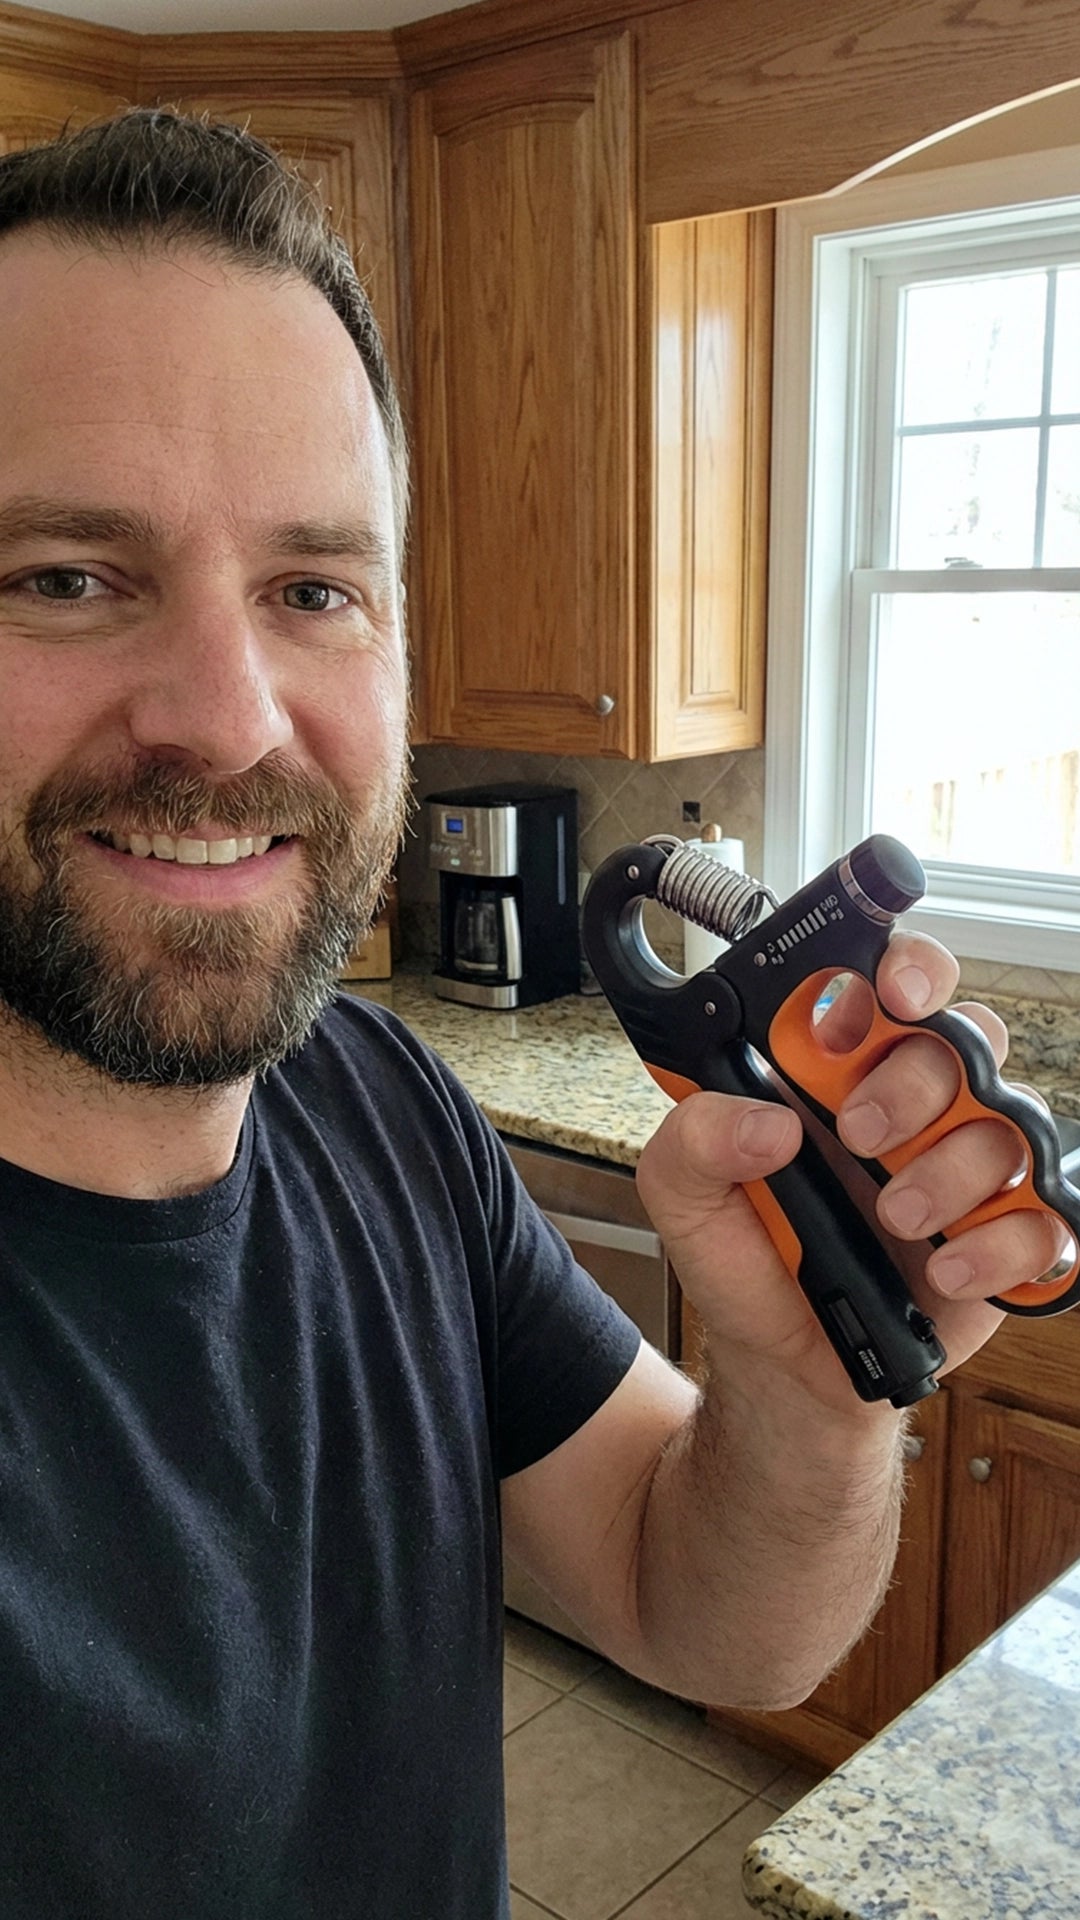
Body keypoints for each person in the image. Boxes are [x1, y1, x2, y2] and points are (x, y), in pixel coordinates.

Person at [0, 107, 1056, 1919]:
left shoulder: (380, 1102)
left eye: (315, 589)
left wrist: (810, 1399)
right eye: (64, 579)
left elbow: (698, 1612)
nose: (230, 719)